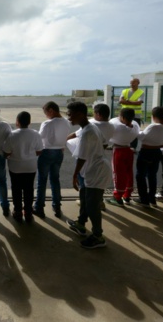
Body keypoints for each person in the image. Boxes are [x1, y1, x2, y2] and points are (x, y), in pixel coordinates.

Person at [65, 102, 112, 249]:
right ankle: (80, 223)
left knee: (92, 205)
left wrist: (74, 175)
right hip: (92, 169)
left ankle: (98, 236)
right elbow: (104, 144)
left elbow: (82, 158)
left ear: (80, 114)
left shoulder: (87, 133)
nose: (68, 117)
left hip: (96, 172)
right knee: (85, 197)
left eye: (70, 114)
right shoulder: (90, 127)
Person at [3, 111, 43, 223]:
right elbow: (39, 151)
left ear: (17, 122)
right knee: (29, 189)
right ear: (29, 122)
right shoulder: (36, 134)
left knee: (16, 190)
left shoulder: (12, 135)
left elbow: (6, 153)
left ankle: (18, 212)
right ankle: (28, 213)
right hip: (30, 167)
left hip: (15, 167)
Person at [34, 101, 71, 218]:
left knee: (42, 181)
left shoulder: (47, 123)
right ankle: (57, 205)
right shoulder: (66, 122)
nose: (46, 115)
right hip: (59, 152)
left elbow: (40, 138)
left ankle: (39, 207)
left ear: (51, 110)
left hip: (46, 152)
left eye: (46, 112)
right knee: (55, 179)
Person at [133, 107, 163, 207]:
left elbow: (141, 137)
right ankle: (152, 198)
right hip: (157, 152)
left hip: (146, 152)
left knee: (140, 176)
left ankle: (144, 199)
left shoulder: (153, 126)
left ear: (153, 117)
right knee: (152, 176)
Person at [105, 108, 139, 206]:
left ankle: (117, 197)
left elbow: (113, 121)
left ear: (123, 117)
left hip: (119, 151)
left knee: (118, 174)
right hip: (129, 149)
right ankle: (127, 195)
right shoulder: (135, 126)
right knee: (128, 173)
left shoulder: (117, 126)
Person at [119, 78, 144, 148]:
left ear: (138, 83)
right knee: (122, 130)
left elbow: (139, 103)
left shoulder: (141, 92)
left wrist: (127, 101)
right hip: (124, 115)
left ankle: (133, 147)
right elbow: (121, 101)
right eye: (131, 83)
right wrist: (133, 102)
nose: (131, 84)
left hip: (135, 115)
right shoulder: (125, 91)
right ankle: (122, 144)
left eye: (133, 83)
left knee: (134, 131)